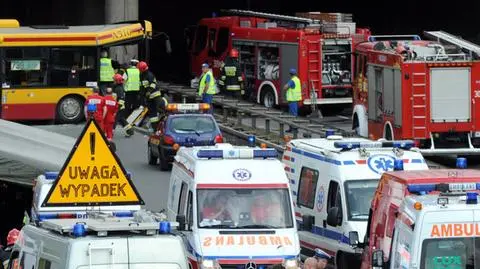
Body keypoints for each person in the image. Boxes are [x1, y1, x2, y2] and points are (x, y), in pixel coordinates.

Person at [137, 61, 167, 130]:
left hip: (155, 95)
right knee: (152, 114)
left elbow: (153, 84)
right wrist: (141, 95)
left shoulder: (149, 75)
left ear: (142, 69)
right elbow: (142, 86)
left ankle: (164, 121)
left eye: (139, 69)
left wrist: (149, 91)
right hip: (148, 98)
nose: (139, 70)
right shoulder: (141, 75)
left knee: (161, 108)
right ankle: (155, 128)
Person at [283, 68, 302, 132]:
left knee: (293, 115)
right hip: (295, 100)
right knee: (292, 115)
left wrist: (285, 87)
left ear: (290, 74)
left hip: (292, 100)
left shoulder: (292, 80)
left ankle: (294, 129)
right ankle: (292, 128)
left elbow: (285, 87)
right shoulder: (297, 79)